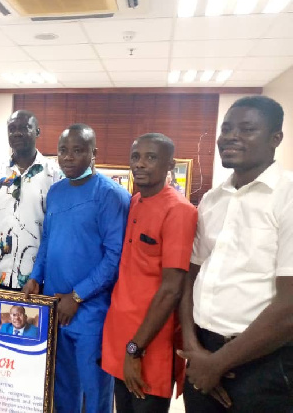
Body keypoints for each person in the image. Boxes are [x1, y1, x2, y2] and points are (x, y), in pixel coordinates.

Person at [178, 95, 293, 412]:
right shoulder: (212, 200)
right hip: (202, 350)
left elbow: (289, 306)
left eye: (246, 129)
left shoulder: (287, 196)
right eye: (226, 128)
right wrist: (192, 347)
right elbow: (190, 277)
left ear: (275, 139)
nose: (230, 136)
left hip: (264, 361)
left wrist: (218, 364)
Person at [23, 124, 131, 413]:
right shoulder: (56, 192)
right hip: (55, 307)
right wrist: (35, 277)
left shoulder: (111, 195)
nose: (68, 157)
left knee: (96, 392)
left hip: (90, 314)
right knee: (62, 387)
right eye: (63, 151)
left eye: (77, 150)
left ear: (94, 153)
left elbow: (114, 257)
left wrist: (77, 296)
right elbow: (48, 240)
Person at [101, 133, 198, 413]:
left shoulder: (179, 211)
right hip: (121, 333)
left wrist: (136, 348)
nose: (140, 164)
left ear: (171, 164)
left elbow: (172, 289)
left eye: (151, 157)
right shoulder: (135, 202)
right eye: (136, 157)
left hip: (151, 341)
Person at [0, 110, 62, 290]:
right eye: (12, 128)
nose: (17, 133)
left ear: (37, 132)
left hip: (36, 280)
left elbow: (56, 231)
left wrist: (40, 273)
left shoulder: (54, 175)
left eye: (25, 128)